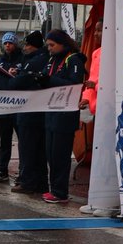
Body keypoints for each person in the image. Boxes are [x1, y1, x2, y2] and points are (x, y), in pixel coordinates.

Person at [40, 30, 86, 204]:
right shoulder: (52, 59)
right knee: (51, 154)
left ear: (63, 44)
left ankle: (60, 192)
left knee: (60, 155)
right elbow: (46, 77)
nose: (49, 48)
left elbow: (75, 83)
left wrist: (49, 79)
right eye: (48, 45)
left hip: (66, 114)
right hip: (51, 112)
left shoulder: (73, 59)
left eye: (52, 45)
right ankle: (54, 189)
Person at [10, 31, 49, 196]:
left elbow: (18, 83)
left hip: (29, 110)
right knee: (40, 150)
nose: (24, 48)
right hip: (42, 111)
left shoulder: (34, 61)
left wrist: (16, 77)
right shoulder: (47, 59)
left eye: (27, 45)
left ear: (34, 46)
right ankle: (41, 183)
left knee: (27, 148)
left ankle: (27, 182)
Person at [0, 32, 22, 183]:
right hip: (4, 107)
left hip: (18, 106)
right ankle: (2, 170)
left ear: (15, 44)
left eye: (10, 43)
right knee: (4, 141)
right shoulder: (0, 61)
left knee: (22, 141)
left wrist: (18, 73)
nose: (7, 45)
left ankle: (23, 172)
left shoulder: (22, 60)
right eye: (5, 43)